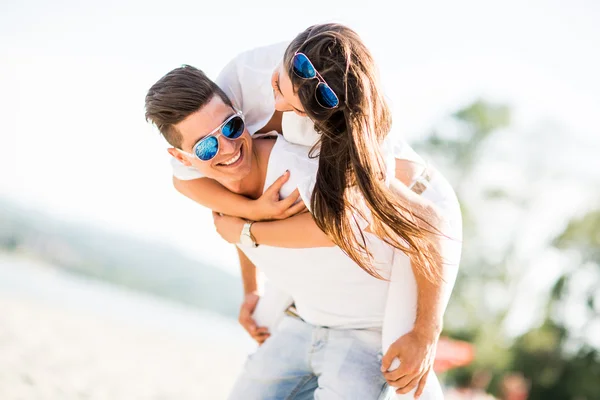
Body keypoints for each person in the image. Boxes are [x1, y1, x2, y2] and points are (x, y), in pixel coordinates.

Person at [145, 23, 462, 399]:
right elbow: (207, 189)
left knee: (406, 367)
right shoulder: (238, 98)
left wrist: (250, 229)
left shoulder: (331, 144)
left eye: (232, 127)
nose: (227, 147)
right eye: (206, 149)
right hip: (319, 303)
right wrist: (252, 276)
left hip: (413, 200)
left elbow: (397, 224)